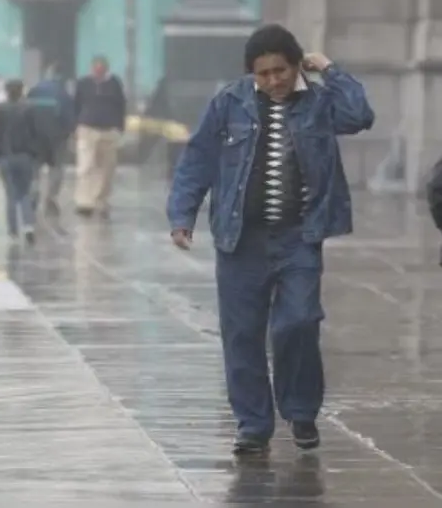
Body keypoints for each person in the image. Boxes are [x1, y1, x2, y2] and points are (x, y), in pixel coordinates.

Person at [166, 24, 375, 456]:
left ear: (296, 65)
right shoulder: (230, 102)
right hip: (240, 239)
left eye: (281, 70)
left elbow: (359, 115)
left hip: (300, 237)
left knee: (298, 321)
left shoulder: (319, 102)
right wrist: (182, 215)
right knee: (241, 334)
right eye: (263, 74)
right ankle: (253, 425)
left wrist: (330, 69)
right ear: (251, 74)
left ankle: (300, 410)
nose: (273, 80)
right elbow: (198, 159)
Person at [0, 79, 49, 243]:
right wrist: (40, 155)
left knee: (11, 195)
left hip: (6, 157)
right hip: (25, 157)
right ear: (22, 91)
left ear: (6, 91)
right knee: (24, 193)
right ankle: (28, 226)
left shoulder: (0, 109)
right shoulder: (31, 108)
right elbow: (38, 133)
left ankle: (13, 231)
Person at [73, 55, 127, 218]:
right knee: (85, 167)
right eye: (96, 70)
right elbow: (76, 104)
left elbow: (121, 105)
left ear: (106, 70)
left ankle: (101, 200)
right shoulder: (83, 83)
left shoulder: (114, 84)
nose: (98, 73)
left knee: (107, 169)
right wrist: (75, 126)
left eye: (101, 70)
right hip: (87, 129)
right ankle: (85, 202)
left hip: (108, 130)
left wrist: (120, 127)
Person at [27, 62, 76, 215]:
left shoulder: (34, 91)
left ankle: (34, 190)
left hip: (35, 137)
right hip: (57, 138)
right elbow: (68, 117)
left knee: (35, 167)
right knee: (57, 168)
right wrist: (69, 133)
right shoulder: (63, 93)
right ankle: (51, 197)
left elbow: (26, 112)